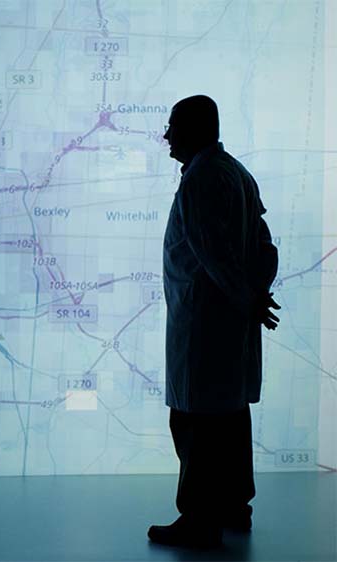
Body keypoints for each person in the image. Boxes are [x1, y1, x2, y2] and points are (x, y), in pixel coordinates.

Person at [149, 95, 281, 548]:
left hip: (204, 322)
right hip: (225, 319)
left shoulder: (202, 179)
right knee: (226, 417)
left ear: (195, 128)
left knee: (194, 421)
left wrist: (248, 299)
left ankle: (199, 520)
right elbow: (264, 246)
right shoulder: (235, 173)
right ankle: (232, 507)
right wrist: (255, 294)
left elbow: (212, 253)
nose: (166, 135)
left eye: (173, 126)